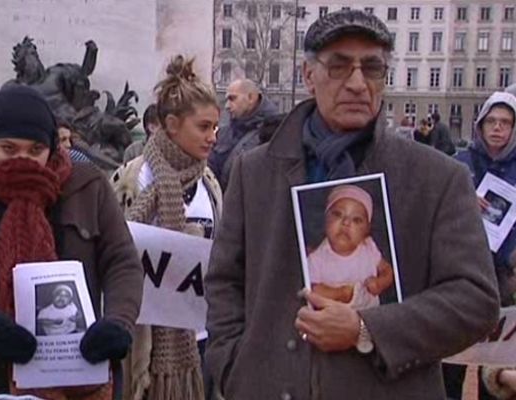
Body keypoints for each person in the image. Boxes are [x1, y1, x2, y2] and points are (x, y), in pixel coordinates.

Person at [205, 9, 499, 400]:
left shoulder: (437, 178)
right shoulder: (254, 172)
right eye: (340, 67)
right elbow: (225, 281)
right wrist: (233, 367)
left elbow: (475, 301)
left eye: (372, 68)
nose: (358, 83)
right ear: (309, 76)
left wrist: (368, 328)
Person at [0, 85, 143, 400]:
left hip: (83, 376)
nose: (22, 160)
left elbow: (122, 264)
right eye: (8, 149)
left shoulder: (89, 188)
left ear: (51, 147)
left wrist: (118, 323)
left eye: (35, 150)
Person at [113, 55, 222, 400]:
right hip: (142, 343)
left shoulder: (210, 183)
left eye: (216, 127)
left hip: (198, 340)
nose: (213, 137)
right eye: (203, 127)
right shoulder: (132, 179)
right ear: (173, 124)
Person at [451, 91, 516, 400]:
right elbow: (433, 208)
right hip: (459, 271)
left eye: (505, 122)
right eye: (491, 121)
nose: (497, 128)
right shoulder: (458, 164)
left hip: (504, 275)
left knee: (494, 360)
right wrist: (460, 202)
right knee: (453, 355)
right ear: (480, 124)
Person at [308, 185, 393, 309]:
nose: (346, 223)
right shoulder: (317, 258)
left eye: (356, 220)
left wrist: (380, 283)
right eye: (338, 214)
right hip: (333, 321)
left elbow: (387, 270)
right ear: (325, 220)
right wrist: (339, 293)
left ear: (367, 231)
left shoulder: (368, 248)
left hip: (370, 316)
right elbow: (312, 291)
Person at [208, 78, 278, 192]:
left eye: (232, 99)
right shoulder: (225, 131)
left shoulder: (273, 130)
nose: (227, 106)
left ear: (251, 98)